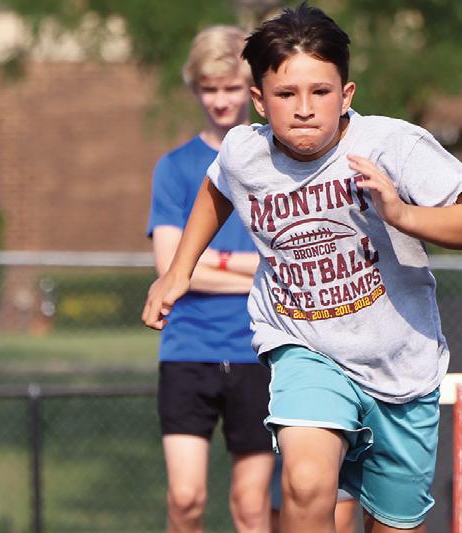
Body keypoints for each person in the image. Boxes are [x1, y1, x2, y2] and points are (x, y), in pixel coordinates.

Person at [143, 3, 462, 532]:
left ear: (346, 95)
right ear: (259, 101)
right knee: (306, 484)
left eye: (320, 92)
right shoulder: (245, 151)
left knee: (394, 522)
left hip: (399, 363)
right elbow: (218, 187)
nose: (304, 109)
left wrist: (402, 214)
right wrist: (179, 270)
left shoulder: (393, 145)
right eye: (286, 94)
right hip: (303, 344)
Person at [146, 25, 274, 533]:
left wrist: (204, 262)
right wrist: (251, 268)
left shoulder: (276, 161)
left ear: (253, 89)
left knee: (251, 505)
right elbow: (171, 271)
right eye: (209, 88)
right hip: (188, 349)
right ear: (195, 89)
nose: (221, 100)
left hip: (259, 348)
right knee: (186, 499)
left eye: (232, 87)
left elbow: (289, 262)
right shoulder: (175, 168)